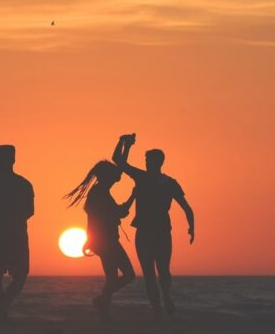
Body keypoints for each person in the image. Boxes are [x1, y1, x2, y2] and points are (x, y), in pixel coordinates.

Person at [112, 133, 194, 316]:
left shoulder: (154, 180)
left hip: (159, 231)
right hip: (148, 231)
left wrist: (192, 226)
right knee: (152, 272)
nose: (147, 163)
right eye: (146, 160)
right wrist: (125, 144)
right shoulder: (152, 179)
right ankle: (158, 306)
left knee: (161, 269)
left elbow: (186, 207)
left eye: (149, 160)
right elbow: (118, 160)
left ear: (158, 162)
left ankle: (164, 298)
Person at [64, 160, 135, 321]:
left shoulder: (100, 191)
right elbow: (118, 212)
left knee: (112, 278)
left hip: (103, 241)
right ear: (106, 177)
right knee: (129, 275)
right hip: (106, 241)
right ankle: (102, 300)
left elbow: (119, 171)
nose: (115, 178)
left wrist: (125, 145)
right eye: (111, 176)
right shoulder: (100, 193)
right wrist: (133, 197)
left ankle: (103, 310)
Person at [0, 144, 35, 320]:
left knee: (18, 274)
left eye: (3, 159)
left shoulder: (21, 183)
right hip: (5, 233)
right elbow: (29, 211)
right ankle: (2, 310)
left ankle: (2, 304)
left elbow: (30, 211)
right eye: (0, 159)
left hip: (11, 234)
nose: (1, 162)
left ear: (12, 160)